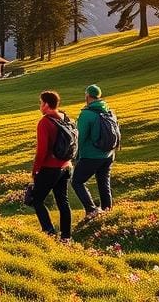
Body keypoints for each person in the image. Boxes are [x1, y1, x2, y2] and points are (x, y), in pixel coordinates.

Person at [31, 90, 73, 240]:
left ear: (47, 104)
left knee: (36, 199)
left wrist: (35, 170)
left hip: (50, 167)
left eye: (41, 103)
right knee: (63, 201)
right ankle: (66, 237)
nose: (40, 106)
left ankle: (49, 232)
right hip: (66, 166)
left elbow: (42, 150)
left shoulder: (44, 123)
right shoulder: (66, 118)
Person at [71, 84, 116, 220]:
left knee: (77, 181)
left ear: (87, 96)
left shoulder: (87, 114)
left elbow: (80, 137)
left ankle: (91, 210)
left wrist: (75, 156)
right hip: (108, 154)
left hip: (92, 156)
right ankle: (107, 210)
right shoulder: (108, 111)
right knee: (103, 181)